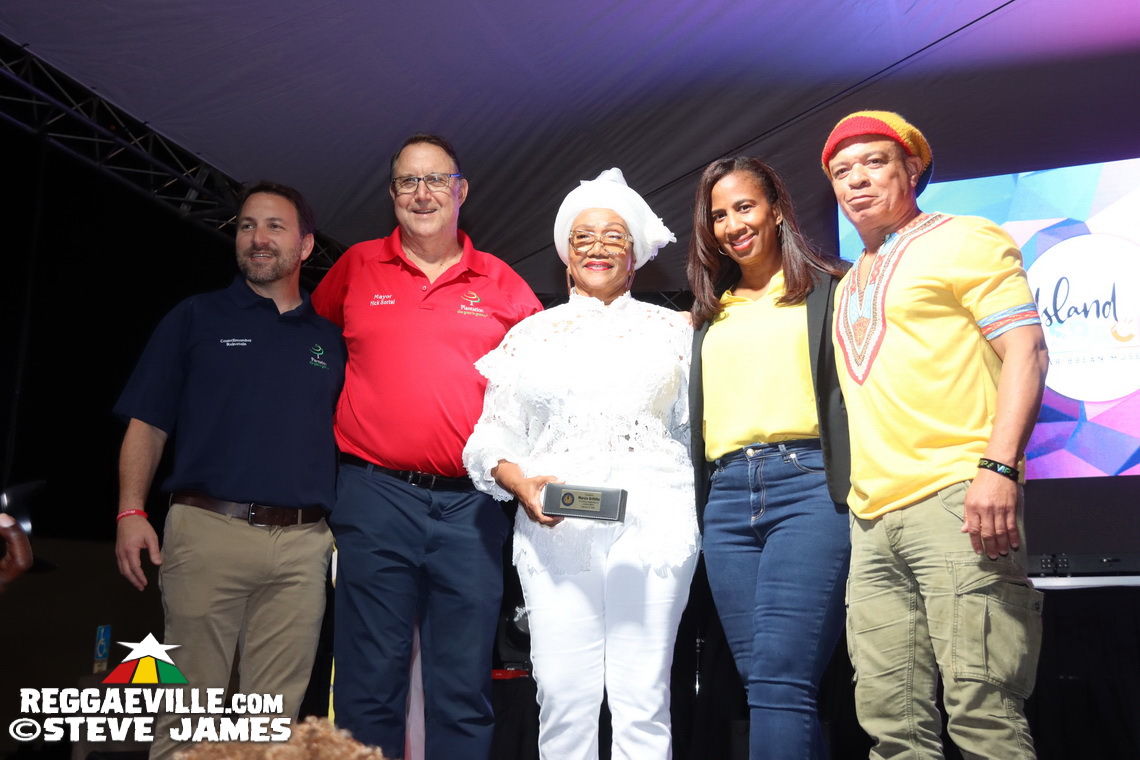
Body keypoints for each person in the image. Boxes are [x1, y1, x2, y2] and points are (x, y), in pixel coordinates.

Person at [821, 110, 1048, 759]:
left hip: (957, 499)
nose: (857, 180)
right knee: (892, 729)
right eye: (842, 171)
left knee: (984, 713)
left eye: (874, 163)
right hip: (872, 520)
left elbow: (1027, 353)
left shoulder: (967, 238)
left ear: (911, 168)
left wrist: (998, 468)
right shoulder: (849, 284)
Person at [311, 133, 541, 760]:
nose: (423, 194)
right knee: (368, 685)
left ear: (461, 190)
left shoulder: (503, 284)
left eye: (436, 179)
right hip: (373, 494)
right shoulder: (355, 267)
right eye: (408, 182)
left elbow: (544, 389)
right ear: (391, 195)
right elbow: (309, 353)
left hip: (471, 508)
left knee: (463, 686)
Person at [464, 168, 700, 760]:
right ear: (565, 253)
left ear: (637, 253)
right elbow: (492, 432)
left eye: (613, 235)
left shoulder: (676, 332)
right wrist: (518, 481)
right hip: (557, 533)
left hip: (653, 529)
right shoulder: (530, 336)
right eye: (582, 236)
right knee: (563, 700)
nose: (597, 247)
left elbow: (695, 430)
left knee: (642, 700)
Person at [114, 181, 345, 760]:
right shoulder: (196, 316)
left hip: (303, 546)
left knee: (271, 732)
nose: (257, 238)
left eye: (274, 226)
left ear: (307, 244)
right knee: (186, 722)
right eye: (246, 225)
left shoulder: (332, 340)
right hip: (205, 532)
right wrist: (130, 510)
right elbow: (147, 422)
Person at [686, 157, 851, 759]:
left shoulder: (834, 290)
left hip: (808, 489)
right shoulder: (707, 315)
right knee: (772, 687)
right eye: (718, 215)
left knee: (781, 680)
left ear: (777, 208)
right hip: (726, 502)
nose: (732, 224)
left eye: (744, 207)